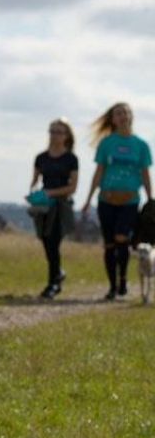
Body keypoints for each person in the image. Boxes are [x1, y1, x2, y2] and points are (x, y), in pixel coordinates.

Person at [82, 102, 152, 300]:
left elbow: (145, 174)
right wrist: (88, 199)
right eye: (118, 113)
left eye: (126, 112)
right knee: (110, 244)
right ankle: (113, 286)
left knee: (123, 238)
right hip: (106, 199)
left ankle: (122, 280)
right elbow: (99, 172)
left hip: (129, 201)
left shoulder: (141, 145)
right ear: (113, 119)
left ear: (131, 117)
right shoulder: (107, 144)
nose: (123, 116)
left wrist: (150, 199)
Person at [28, 118, 79, 299]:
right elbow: (34, 181)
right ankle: (58, 272)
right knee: (45, 240)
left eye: (59, 132)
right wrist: (34, 193)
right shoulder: (41, 157)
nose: (54, 135)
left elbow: (73, 187)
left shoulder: (71, 159)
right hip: (44, 206)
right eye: (52, 131)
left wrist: (52, 192)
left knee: (54, 241)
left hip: (61, 205)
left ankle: (53, 283)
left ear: (66, 136)